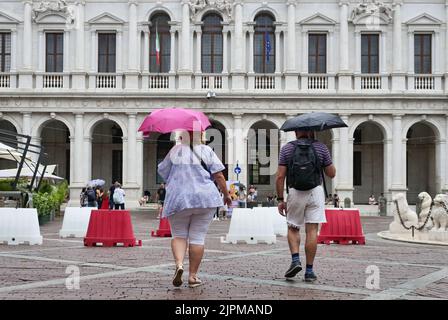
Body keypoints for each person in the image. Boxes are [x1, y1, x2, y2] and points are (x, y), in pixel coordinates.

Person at [157, 131, 232, 288]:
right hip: (205, 198)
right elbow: (219, 175)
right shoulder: (206, 151)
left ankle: (179, 265)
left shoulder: (175, 151)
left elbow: (163, 172)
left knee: (178, 235)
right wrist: (226, 195)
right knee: (197, 237)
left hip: (179, 198)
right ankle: (193, 276)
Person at [276, 129, 336, 282]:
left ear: (296, 132)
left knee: (293, 227)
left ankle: (296, 259)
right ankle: (309, 271)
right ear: (311, 131)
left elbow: (280, 176)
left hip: (295, 191)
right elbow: (331, 173)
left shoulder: (287, 148)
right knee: (312, 230)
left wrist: (280, 199)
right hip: (315, 191)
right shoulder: (320, 147)